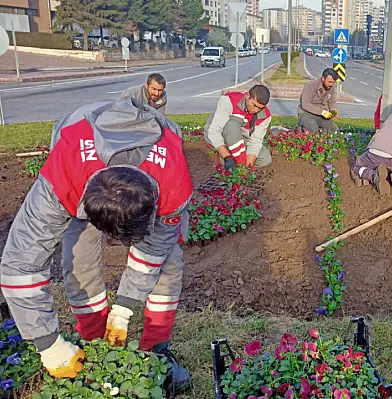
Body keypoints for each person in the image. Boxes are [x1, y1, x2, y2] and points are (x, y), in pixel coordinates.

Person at [0, 99, 193, 391]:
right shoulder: (63, 174)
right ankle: (93, 338)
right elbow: (20, 264)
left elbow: (154, 251)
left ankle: (157, 347)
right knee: (78, 256)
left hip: (156, 170)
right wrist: (47, 344)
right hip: (81, 159)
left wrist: (124, 309)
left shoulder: (173, 184)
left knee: (169, 261)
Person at [204, 84, 272, 169]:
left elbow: (255, 141)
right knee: (232, 125)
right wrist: (227, 157)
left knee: (265, 159)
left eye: (260, 108)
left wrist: (247, 168)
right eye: (254, 105)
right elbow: (214, 132)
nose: (256, 110)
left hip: (239, 137)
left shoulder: (266, 116)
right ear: (247, 95)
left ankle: (239, 164)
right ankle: (226, 158)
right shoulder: (229, 101)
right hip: (219, 134)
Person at [298, 68, 339, 133]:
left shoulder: (331, 88)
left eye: (333, 82)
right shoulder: (310, 85)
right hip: (306, 113)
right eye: (329, 82)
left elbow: (332, 102)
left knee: (334, 130)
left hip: (321, 115)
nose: (331, 84)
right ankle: (302, 129)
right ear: (323, 79)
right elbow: (305, 104)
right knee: (312, 127)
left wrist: (333, 110)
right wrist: (322, 112)